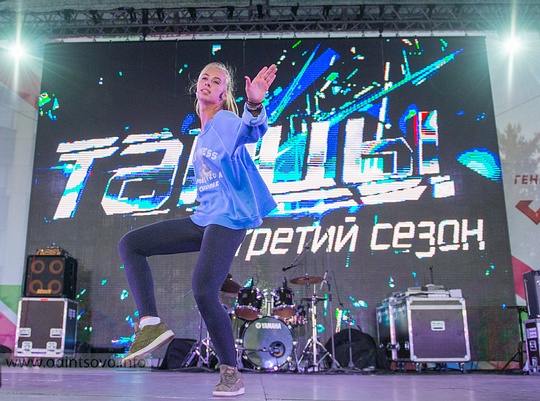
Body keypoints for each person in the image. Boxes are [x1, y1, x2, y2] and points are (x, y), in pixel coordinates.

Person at [118, 61, 278, 397]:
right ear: (196, 87)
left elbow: (251, 131)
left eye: (216, 81)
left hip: (228, 218)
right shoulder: (203, 133)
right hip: (205, 218)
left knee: (204, 290)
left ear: (223, 93)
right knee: (131, 244)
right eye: (204, 77)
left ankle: (231, 373)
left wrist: (254, 103)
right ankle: (150, 324)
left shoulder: (224, 121)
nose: (207, 82)